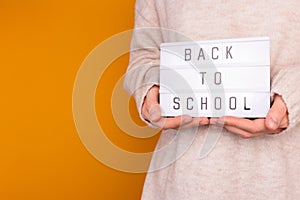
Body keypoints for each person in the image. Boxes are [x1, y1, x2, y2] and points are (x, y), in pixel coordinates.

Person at [124, 0, 300, 199]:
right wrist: (150, 92)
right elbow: (144, 55)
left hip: (284, 175)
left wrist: (292, 96)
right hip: (184, 179)